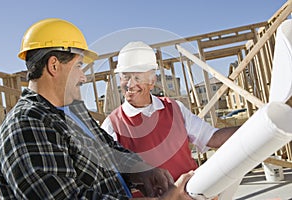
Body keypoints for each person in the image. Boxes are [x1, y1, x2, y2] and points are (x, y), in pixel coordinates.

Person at [0, 18, 195, 200]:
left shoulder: (72, 112)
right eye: (79, 66)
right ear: (54, 65)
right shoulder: (26, 126)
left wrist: (141, 171)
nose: (84, 77)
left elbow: (110, 151)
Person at [101, 41, 239, 189]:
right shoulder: (111, 125)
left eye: (138, 78)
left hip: (192, 195)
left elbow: (212, 137)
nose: (130, 84)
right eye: (125, 77)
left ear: (152, 81)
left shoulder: (174, 108)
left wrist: (256, 126)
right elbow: (109, 178)